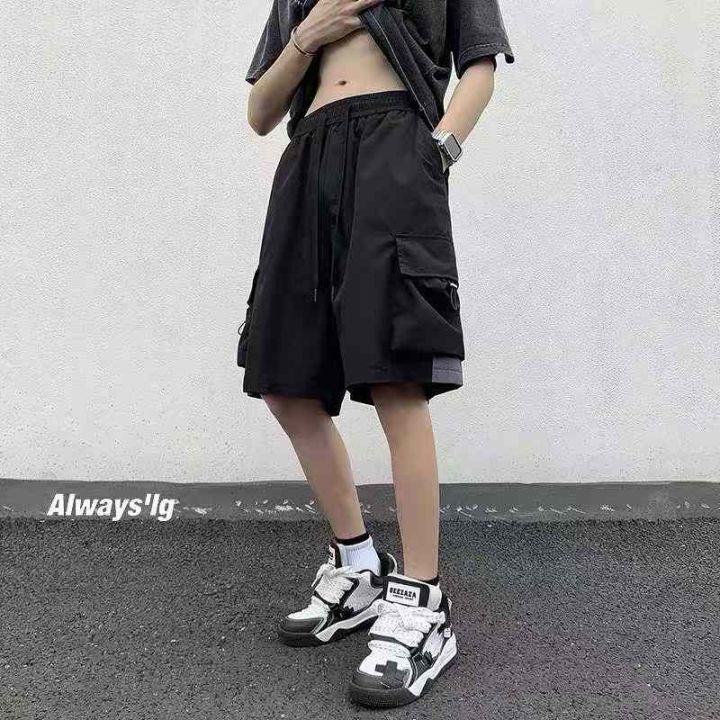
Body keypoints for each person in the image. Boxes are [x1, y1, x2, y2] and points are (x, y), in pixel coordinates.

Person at [237, 0, 513, 707]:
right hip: (309, 156)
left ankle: (421, 601)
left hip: (396, 149)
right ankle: (358, 564)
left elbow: (480, 66)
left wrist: (437, 151)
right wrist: (308, 34)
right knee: (285, 380)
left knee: (397, 377)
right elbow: (261, 111)